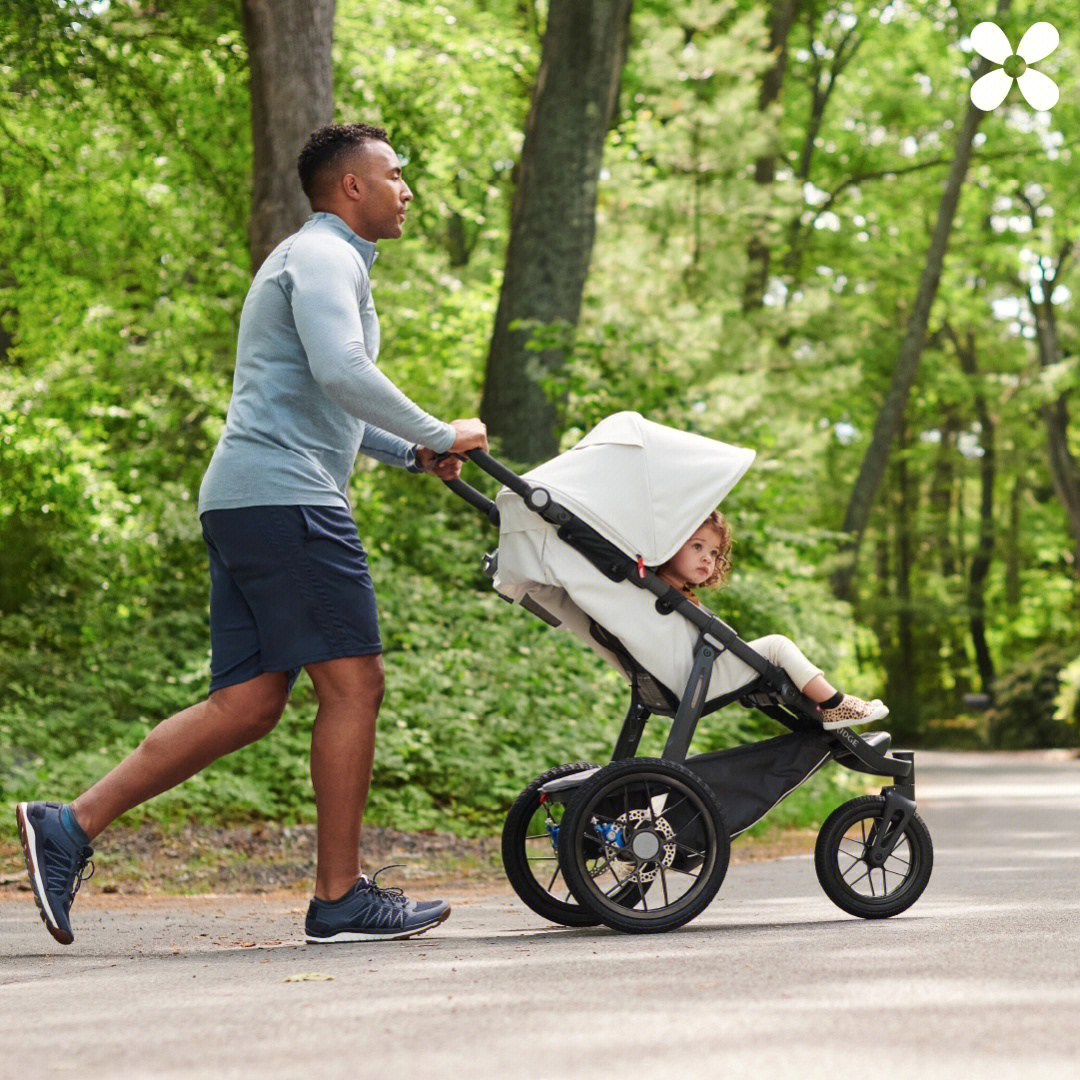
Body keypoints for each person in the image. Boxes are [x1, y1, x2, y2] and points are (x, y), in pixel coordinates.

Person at [16, 122, 488, 947]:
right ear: (351, 187)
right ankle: (339, 896)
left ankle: (69, 825)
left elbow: (323, 395)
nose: (406, 188)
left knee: (245, 705)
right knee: (356, 686)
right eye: (394, 174)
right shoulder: (324, 257)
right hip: (287, 504)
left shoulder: (315, 260)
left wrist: (411, 452)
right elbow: (345, 369)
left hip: (248, 499)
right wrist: (442, 431)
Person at [655, 510, 889, 730]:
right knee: (776, 646)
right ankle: (835, 705)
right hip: (693, 680)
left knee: (772, 659)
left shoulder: (663, 595)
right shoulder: (665, 598)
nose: (708, 559)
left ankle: (823, 703)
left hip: (686, 678)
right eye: (697, 546)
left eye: (714, 553)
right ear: (673, 545)